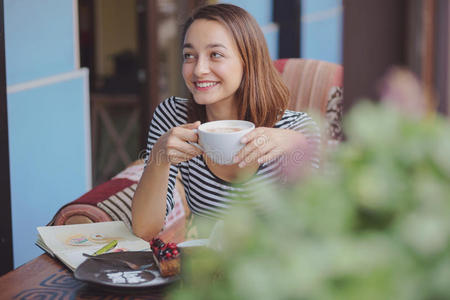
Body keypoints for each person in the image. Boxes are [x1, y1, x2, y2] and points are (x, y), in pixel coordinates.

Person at [132, 3, 320, 240]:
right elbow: (144, 229)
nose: (199, 70)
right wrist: (159, 157)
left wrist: (298, 146)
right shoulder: (174, 117)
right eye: (189, 56)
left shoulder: (295, 130)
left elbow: (315, 232)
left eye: (216, 55)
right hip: (210, 270)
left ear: (248, 61)